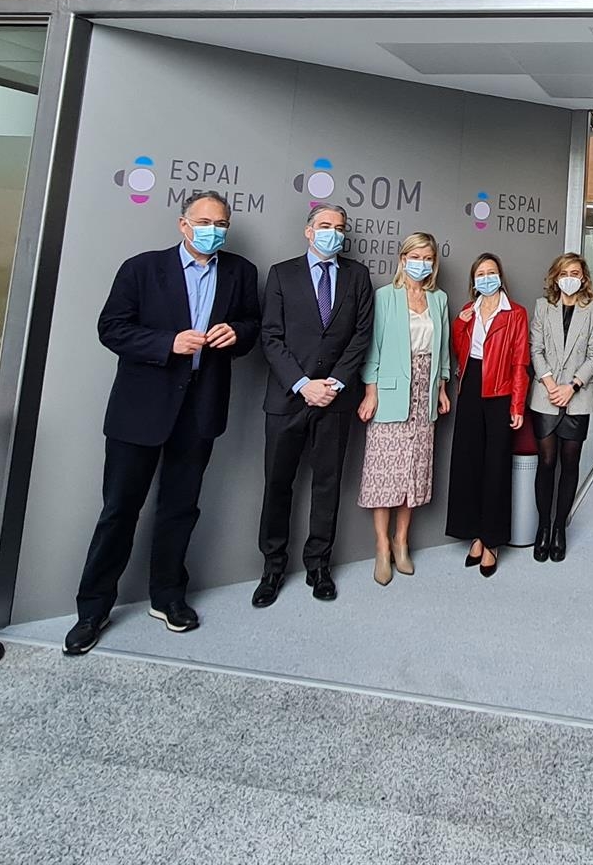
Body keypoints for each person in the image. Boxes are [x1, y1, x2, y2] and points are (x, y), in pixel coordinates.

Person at [64, 191, 261, 656]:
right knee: (118, 511)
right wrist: (166, 343)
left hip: (200, 408)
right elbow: (110, 327)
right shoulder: (142, 268)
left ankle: (168, 596)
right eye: (204, 220)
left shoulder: (240, 272)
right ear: (183, 224)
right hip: (141, 409)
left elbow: (252, 325)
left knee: (180, 509)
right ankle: (92, 609)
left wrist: (238, 334)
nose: (214, 229)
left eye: (222, 222)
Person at [255, 203, 374, 606]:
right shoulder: (282, 274)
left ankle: (318, 566)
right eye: (324, 226)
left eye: (339, 228)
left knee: (327, 485)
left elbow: (361, 336)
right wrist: (304, 384)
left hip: (336, 400)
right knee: (277, 484)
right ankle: (272, 568)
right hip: (289, 398)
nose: (332, 234)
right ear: (308, 231)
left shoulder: (358, 276)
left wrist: (335, 383)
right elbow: (270, 337)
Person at [356, 233, 452, 586]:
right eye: (416, 256)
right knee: (385, 472)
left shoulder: (438, 299)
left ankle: (401, 542)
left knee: (414, 470)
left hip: (425, 390)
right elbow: (373, 349)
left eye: (428, 258)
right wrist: (371, 391)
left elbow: (443, 349)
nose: (422, 263)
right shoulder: (385, 297)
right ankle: (381, 546)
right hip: (391, 392)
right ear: (403, 258)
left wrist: (441, 387)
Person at [446, 253, 528, 577]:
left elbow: (521, 362)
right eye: (480, 273)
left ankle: (491, 540)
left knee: (495, 465)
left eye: (491, 272)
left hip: (501, 389)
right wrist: (462, 322)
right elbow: (458, 350)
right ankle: (474, 534)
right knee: (468, 463)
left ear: (500, 276)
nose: (486, 277)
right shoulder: (468, 312)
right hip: (471, 385)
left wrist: (517, 405)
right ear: (474, 280)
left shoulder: (516, 313)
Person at [527, 252, 593, 563]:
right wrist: (550, 385)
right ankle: (542, 528)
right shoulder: (542, 306)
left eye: (575, 272)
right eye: (564, 273)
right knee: (546, 462)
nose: (569, 277)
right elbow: (536, 348)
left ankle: (560, 528)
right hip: (545, 394)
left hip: (578, 395)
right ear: (555, 277)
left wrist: (571, 387)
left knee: (570, 462)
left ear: (583, 277)